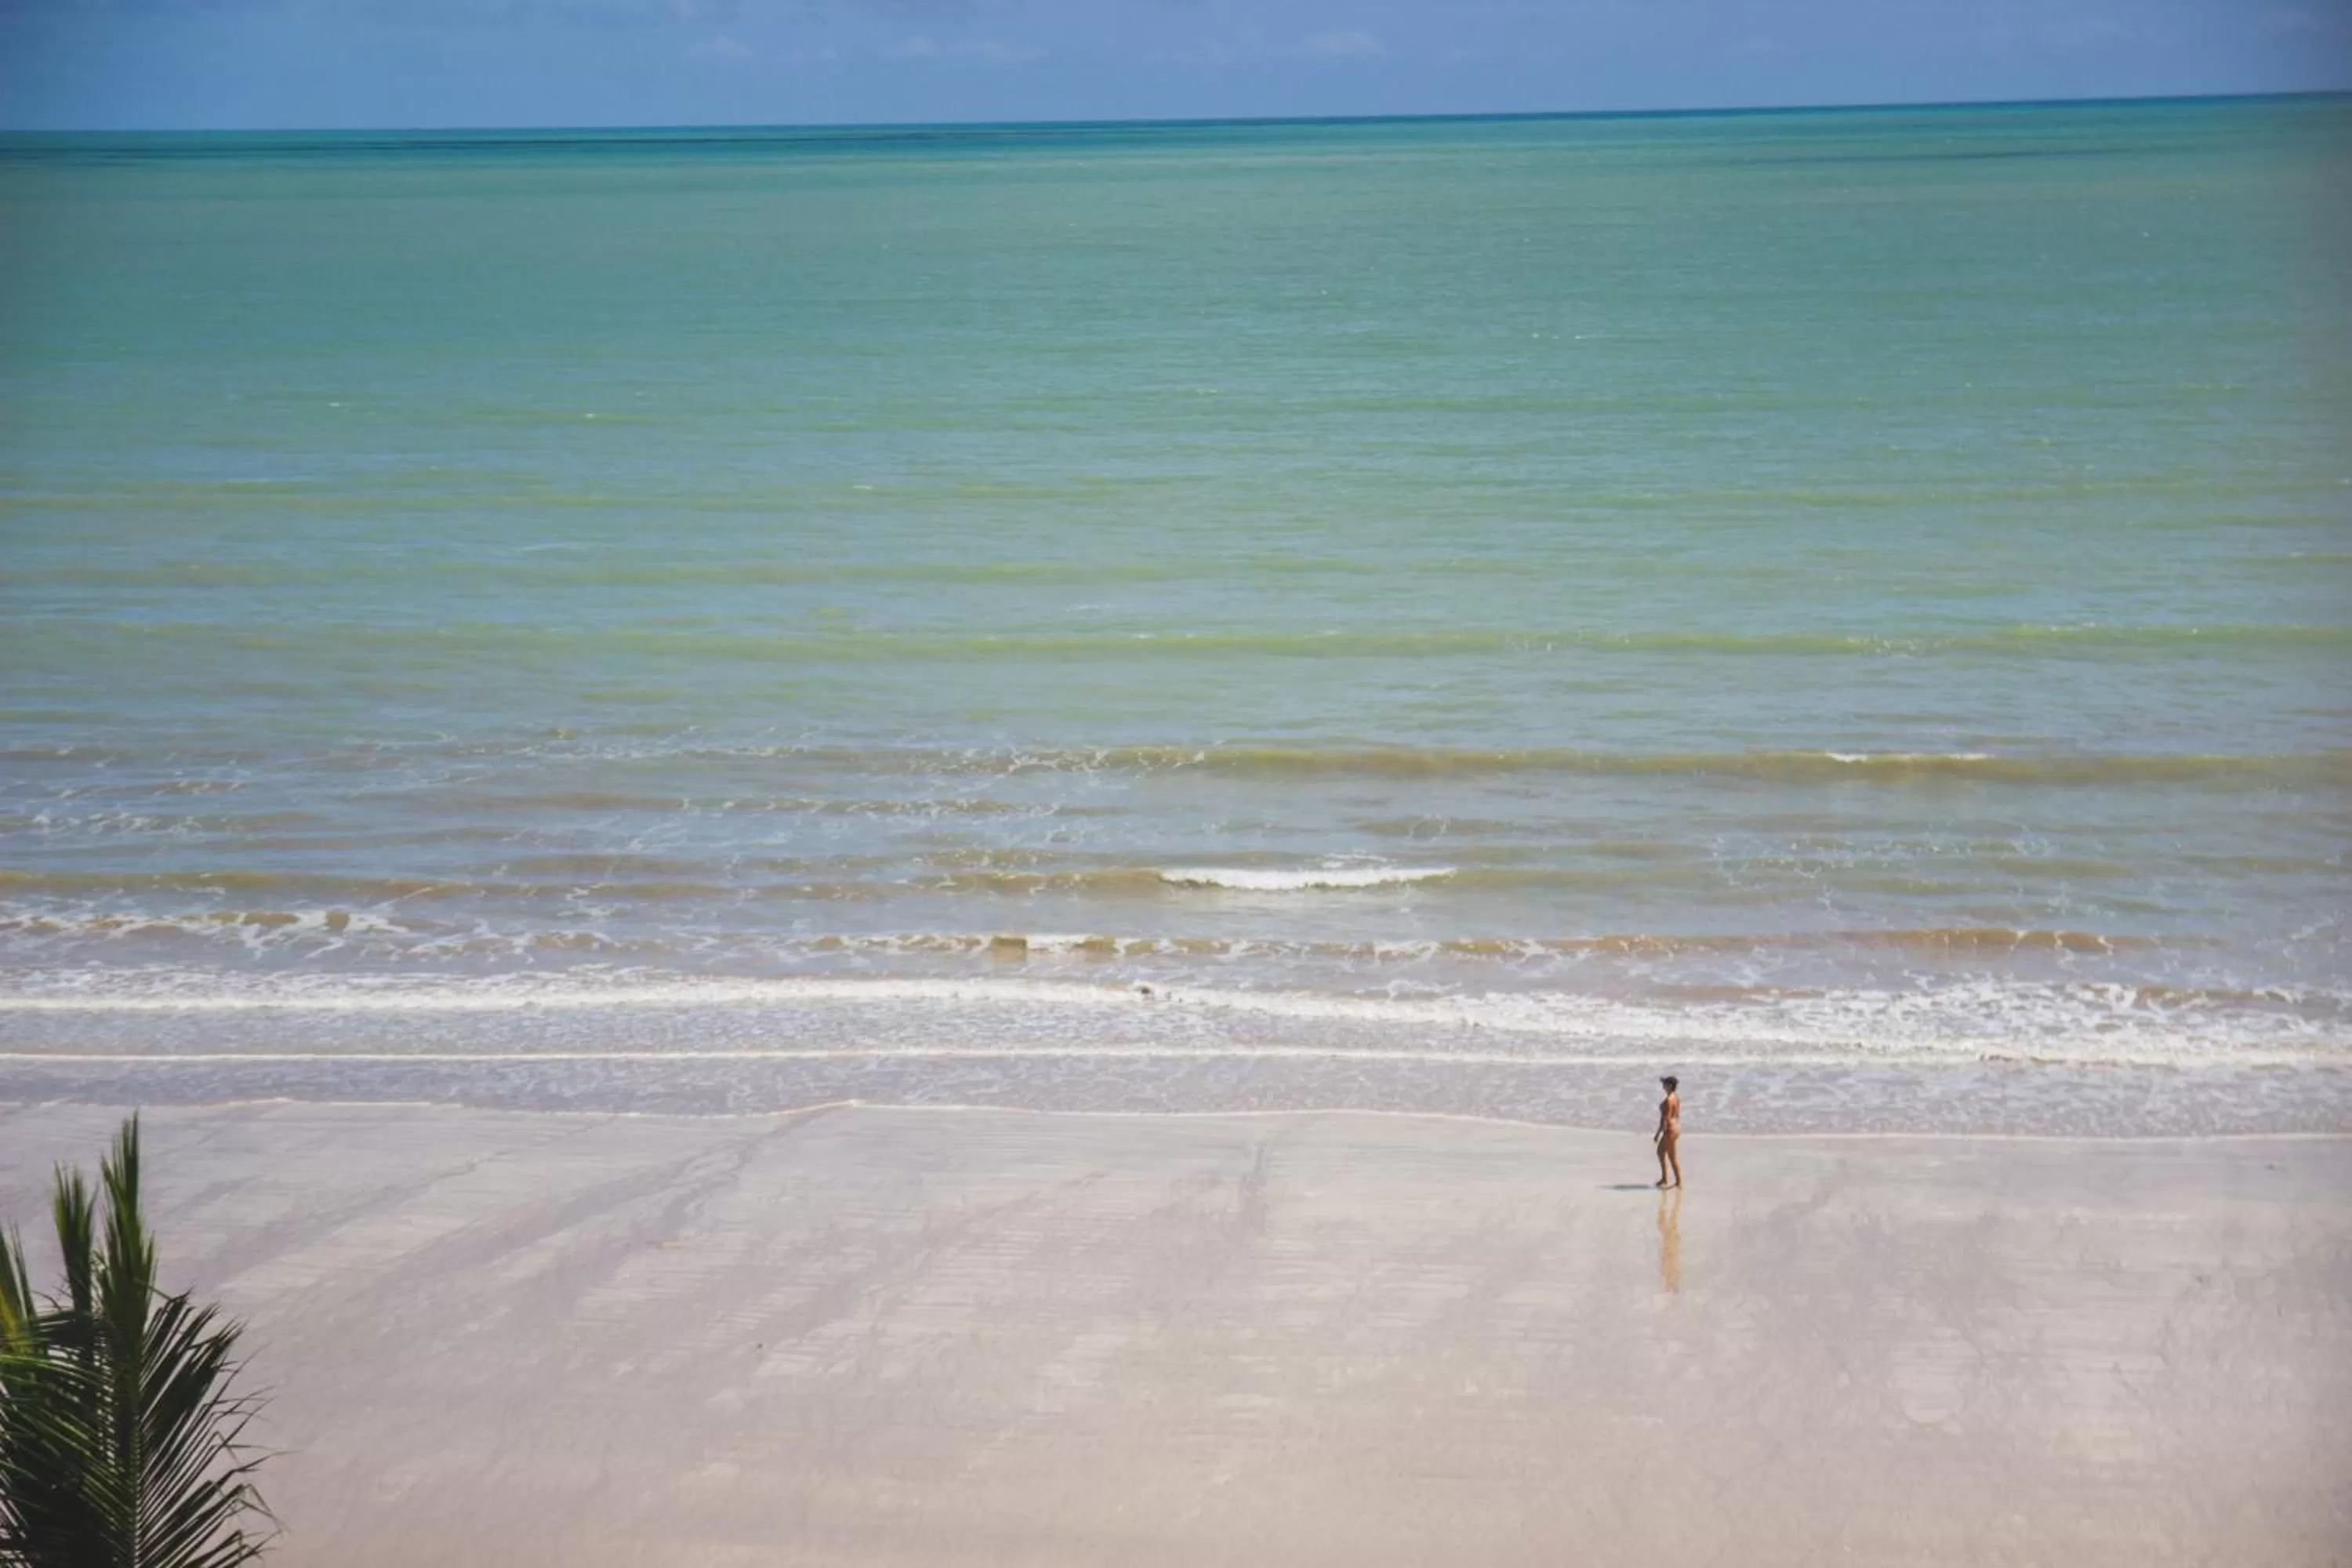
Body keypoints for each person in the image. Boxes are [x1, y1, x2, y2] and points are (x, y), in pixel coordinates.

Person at [1653, 1074, 1682, 1189]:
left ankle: (1665, 1179)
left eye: (1664, 1083)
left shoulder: (1667, 1101)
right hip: (1677, 1128)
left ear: (1670, 1086)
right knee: (1672, 1156)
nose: (1663, 1085)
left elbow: (1665, 1119)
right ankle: (1678, 1181)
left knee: (1660, 1152)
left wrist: (1658, 1134)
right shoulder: (1676, 1097)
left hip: (1669, 1129)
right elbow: (1677, 1115)